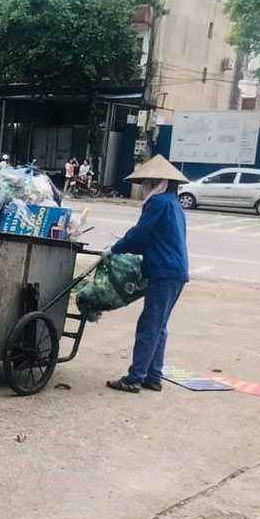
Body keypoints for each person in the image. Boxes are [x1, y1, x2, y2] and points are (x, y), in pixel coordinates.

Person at [104, 155, 189, 394]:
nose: (144, 188)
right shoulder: (174, 203)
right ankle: (153, 376)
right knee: (159, 325)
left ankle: (135, 378)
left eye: (148, 183)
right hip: (176, 271)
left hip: (164, 271)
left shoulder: (158, 203)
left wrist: (114, 249)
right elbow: (153, 238)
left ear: (158, 182)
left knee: (149, 325)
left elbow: (140, 234)